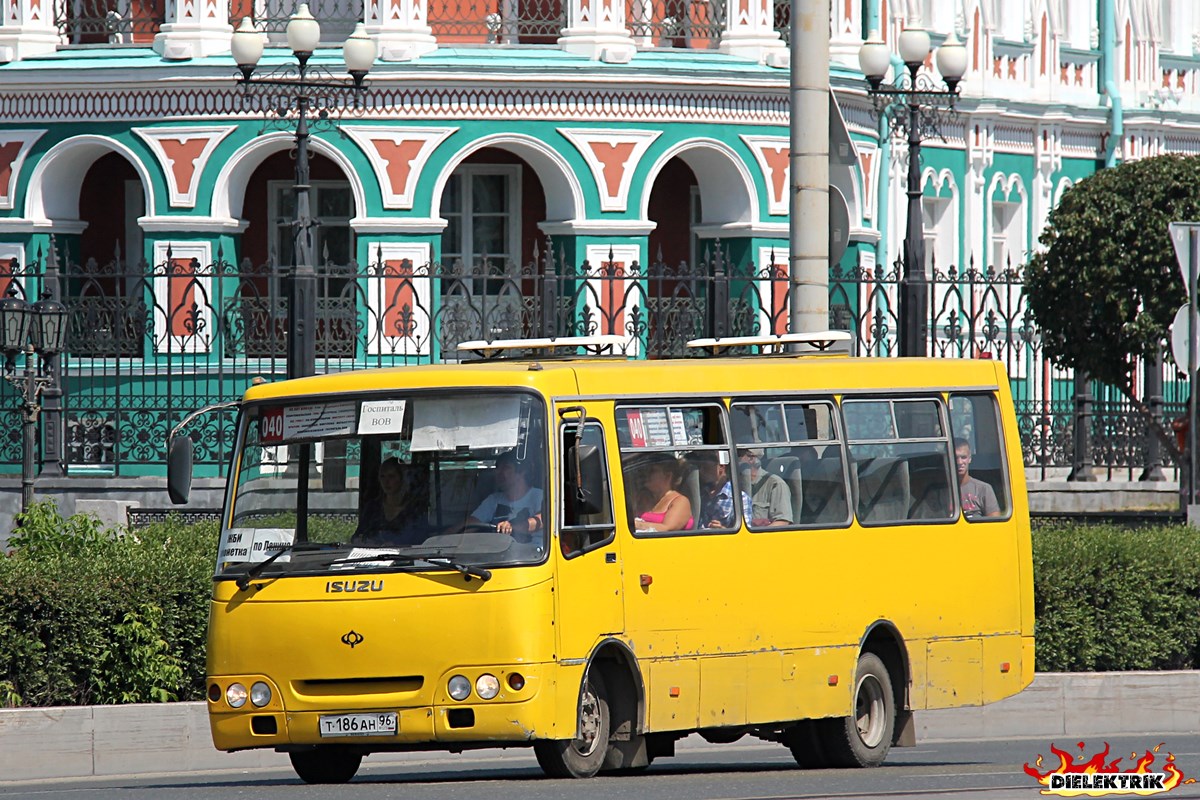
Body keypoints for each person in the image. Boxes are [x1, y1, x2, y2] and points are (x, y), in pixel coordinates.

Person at [463, 449, 544, 535]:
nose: (498, 472)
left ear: (522, 472)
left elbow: (544, 519)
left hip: (533, 548)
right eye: (497, 468)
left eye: (506, 467)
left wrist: (512, 527)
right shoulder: (494, 499)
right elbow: (471, 524)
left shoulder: (539, 496)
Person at [354, 457, 431, 545]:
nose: (386, 481)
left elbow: (420, 538)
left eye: (391, 476)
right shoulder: (373, 508)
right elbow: (357, 535)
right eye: (382, 476)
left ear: (402, 478)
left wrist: (395, 543)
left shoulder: (415, 509)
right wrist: (361, 540)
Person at [630, 452, 693, 532]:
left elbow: (667, 528)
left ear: (668, 476)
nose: (646, 474)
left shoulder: (680, 501)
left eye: (652, 471)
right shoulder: (642, 497)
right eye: (645, 470)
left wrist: (635, 525)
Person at [695, 450, 751, 529]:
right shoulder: (700, 493)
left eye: (705, 468)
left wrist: (722, 530)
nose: (701, 472)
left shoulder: (739, 498)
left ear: (721, 467)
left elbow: (745, 533)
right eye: (699, 468)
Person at [737, 448, 793, 527]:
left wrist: (755, 537)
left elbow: (782, 522)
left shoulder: (775, 484)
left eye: (738, 455)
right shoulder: (733, 484)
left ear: (751, 458)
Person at [954, 438, 1000, 518]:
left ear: (970, 459)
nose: (959, 462)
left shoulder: (984, 489)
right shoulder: (941, 492)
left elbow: (995, 523)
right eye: (955, 458)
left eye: (963, 457)